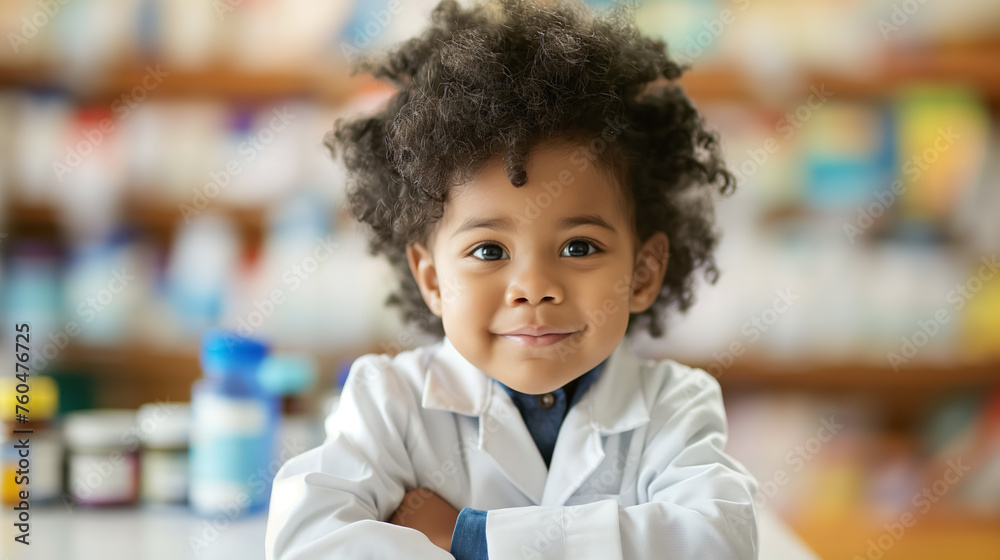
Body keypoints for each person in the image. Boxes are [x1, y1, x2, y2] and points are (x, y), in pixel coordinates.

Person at [264, 0, 759, 558]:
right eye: (489, 249)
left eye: (578, 247)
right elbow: (310, 541)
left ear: (642, 273)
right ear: (431, 278)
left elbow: (717, 541)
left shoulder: (676, 406)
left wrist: (469, 537)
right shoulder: (389, 403)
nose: (533, 286)